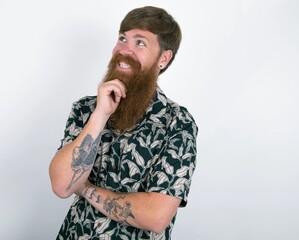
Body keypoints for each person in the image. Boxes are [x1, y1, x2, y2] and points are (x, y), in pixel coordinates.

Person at [49, 6, 198, 240]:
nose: (124, 49)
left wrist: (85, 188)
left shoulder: (178, 123)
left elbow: (156, 217)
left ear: (164, 58)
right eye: (122, 38)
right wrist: (100, 115)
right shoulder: (86, 109)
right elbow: (62, 185)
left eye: (140, 43)